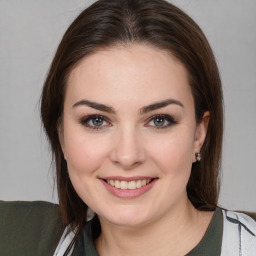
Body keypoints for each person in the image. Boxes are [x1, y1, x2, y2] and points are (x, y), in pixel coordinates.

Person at [1, 0, 256, 255]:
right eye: (97, 120)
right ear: (61, 135)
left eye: (159, 120)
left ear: (199, 134)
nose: (127, 155)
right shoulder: (17, 237)